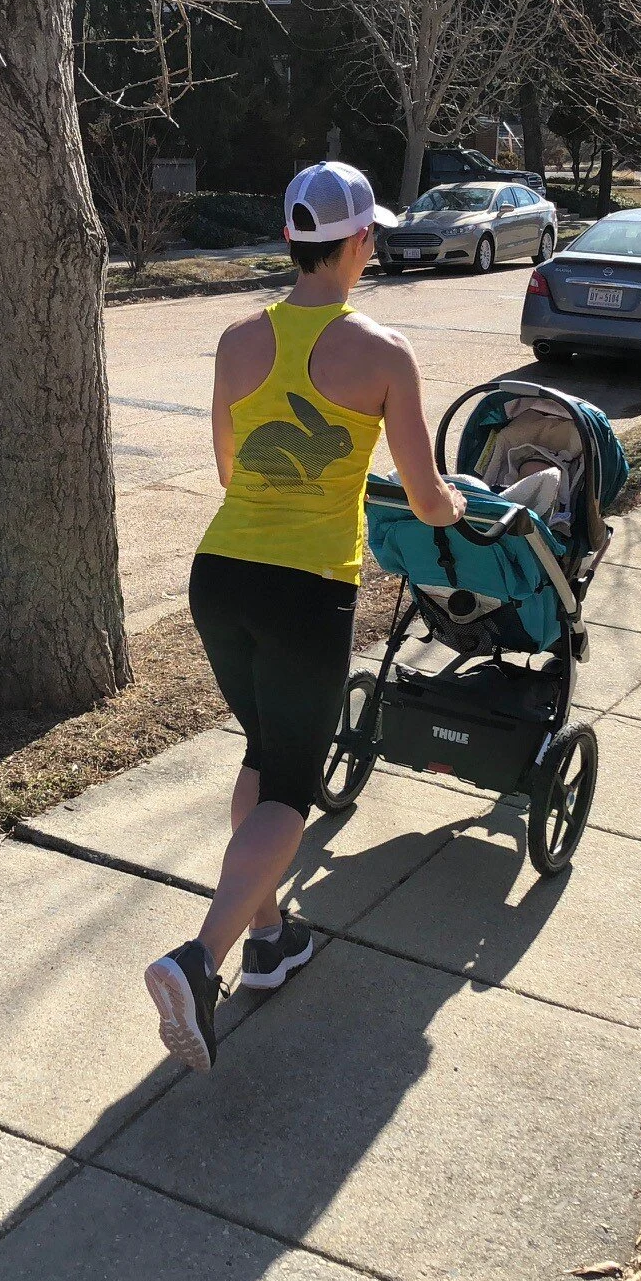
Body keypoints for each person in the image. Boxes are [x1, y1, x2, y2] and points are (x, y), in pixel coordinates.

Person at [144, 162, 465, 1072]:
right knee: (290, 787)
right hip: (305, 591)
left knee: (262, 752)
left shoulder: (236, 338)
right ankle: (195, 963)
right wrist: (458, 511)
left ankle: (272, 938)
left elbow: (226, 466)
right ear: (358, 241)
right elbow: (425, 494)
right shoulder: (386, 351)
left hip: (221, 580)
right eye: (373, 237)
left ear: (293, 240)